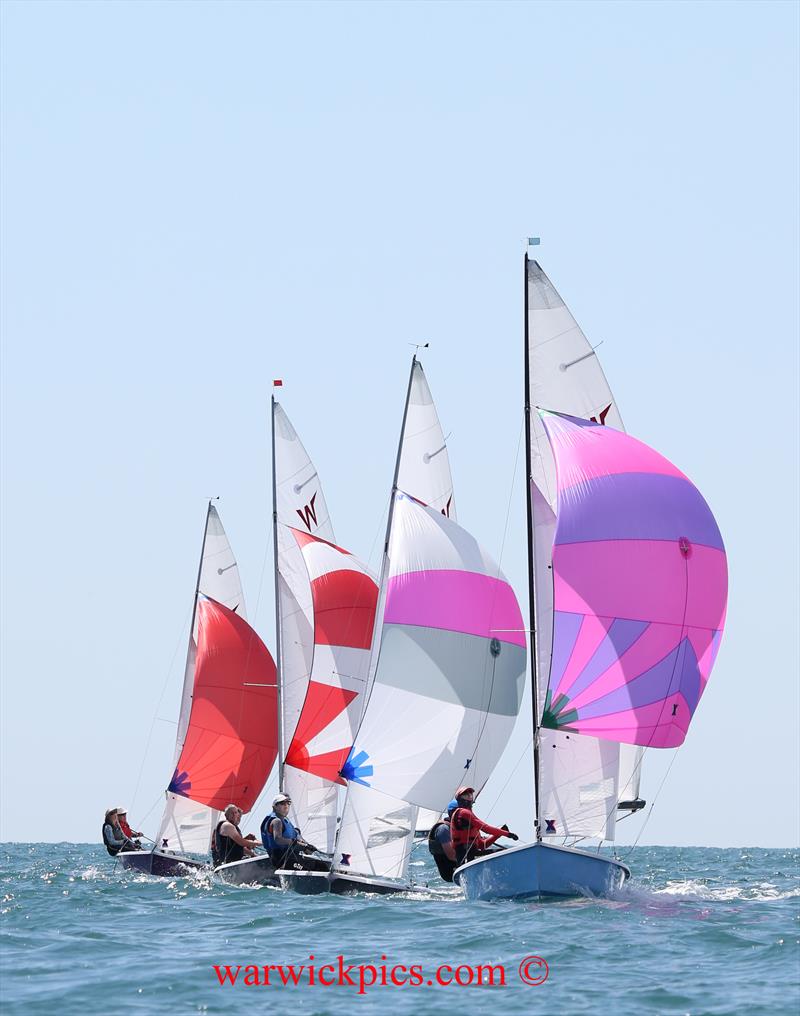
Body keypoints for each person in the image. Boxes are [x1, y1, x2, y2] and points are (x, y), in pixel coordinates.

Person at [449, 786, 518, 866]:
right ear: (460, 799)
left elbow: (482, 845)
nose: (469, 795)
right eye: (465, 794)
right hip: (465, 856)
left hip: (472, 854)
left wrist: (498, 835)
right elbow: (485, 828)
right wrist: (507, 834)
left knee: (502, 851)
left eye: (470, 794)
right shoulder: (463, 813)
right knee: (501, 852)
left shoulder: (470, 820)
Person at [260, 794, 330, 872]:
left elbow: (295, 836)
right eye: (282, 803)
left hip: (292, 857)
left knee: (321, 866)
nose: (286, 806)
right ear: (275, 806)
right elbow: (278, 839)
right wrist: (295, 843)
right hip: (282, 860)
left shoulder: (285, 820)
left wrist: (306, 846)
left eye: (288, 803)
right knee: (312, 869)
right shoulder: (277, 821)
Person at [427, 799, 459, 882]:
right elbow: (452, 856)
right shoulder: (443, 829)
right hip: (450, 872)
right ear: (453, 813)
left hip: (460, 866)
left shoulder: (459, 827)